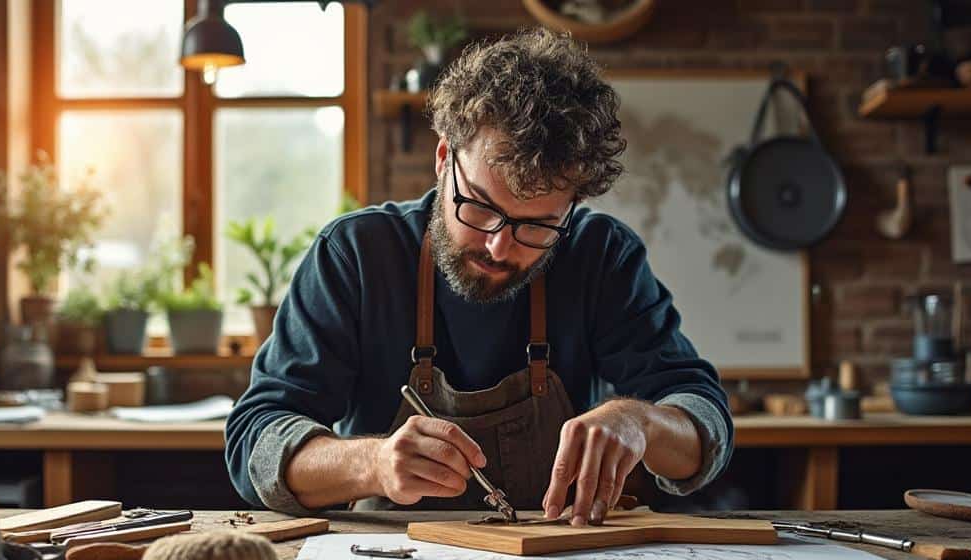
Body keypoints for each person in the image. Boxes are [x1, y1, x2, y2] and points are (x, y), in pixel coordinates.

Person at [225, 28, 731, 526]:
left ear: (571, 208)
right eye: (480, 207)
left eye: (536, 226)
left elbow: (704, 429)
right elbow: (257, 440)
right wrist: (372, 464)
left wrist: (641, 423)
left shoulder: (602, 258)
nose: (498, 245)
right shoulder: (356, 256)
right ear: (444, 158)